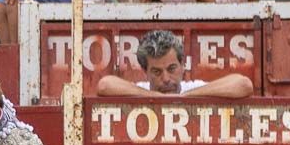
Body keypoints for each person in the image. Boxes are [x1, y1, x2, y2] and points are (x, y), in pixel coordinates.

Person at [97, 28, 255, 96]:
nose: (165, 79)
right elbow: (104, 85)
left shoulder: (192, 88)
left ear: (182, 65)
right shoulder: (141, 90)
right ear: (145, 72)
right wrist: (152, 97)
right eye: (157, 72)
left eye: (171, 69)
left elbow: (244, 85)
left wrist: (184, 98)